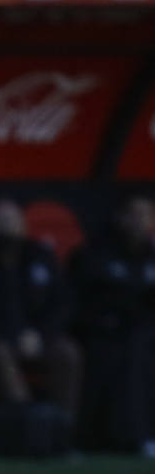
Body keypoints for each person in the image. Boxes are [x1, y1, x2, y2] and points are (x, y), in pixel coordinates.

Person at [0, 198, 82, 423]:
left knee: (68, 352)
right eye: (0, 220)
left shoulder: (41, 257)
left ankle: (63, 425)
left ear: (23, 224)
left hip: (40, 337)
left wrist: (40, 335)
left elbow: (61, 304)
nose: (6, 225)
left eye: (11, 219)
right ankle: (27, 422)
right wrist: (12, 336)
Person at [69, 195, 155, 455]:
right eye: (134, 214)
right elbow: (81, 301)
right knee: (129, 353)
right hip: (105, 333)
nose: (139, 221)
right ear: (120, 218)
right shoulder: (95, 253)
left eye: (146, 215)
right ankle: (133, 437)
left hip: (147, 333)